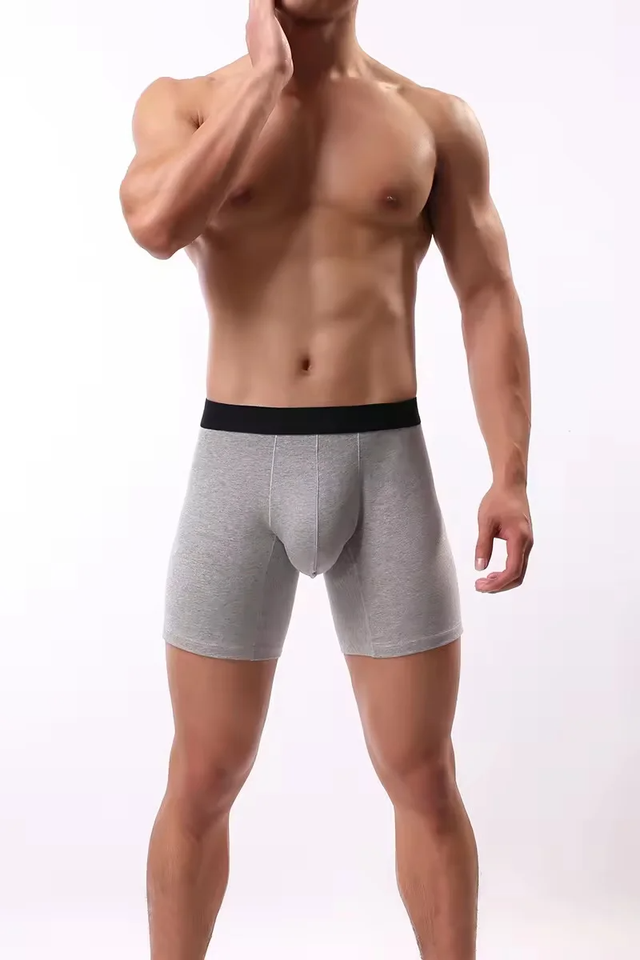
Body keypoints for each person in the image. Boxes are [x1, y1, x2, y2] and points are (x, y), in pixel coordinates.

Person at [119, 1, 533, 957]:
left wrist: (509, 472)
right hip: (238, 464)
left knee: (424, 777)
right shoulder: (185, 104)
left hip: (382, 462)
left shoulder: (431, 120)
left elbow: (486, 293)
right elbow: (155, 223)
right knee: (203, 778)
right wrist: (265, 80)